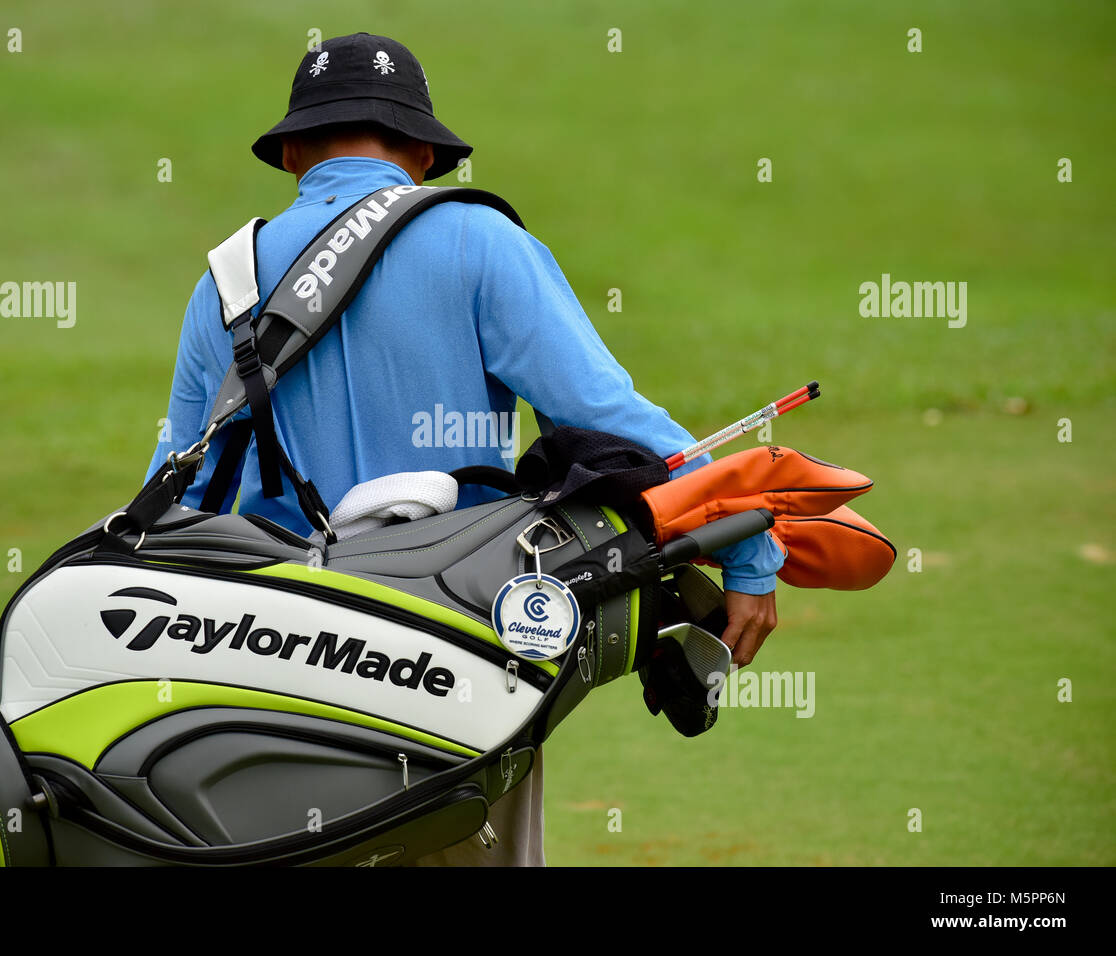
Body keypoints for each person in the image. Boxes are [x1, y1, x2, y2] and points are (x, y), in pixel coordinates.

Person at [146, 32, 783, 866]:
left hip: (279, 684)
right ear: (421, 153)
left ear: (294, 152)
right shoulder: (480, 244)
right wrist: (751, 551)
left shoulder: (226, 285)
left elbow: (170, 507)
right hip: (464, 669)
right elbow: (616, 425)